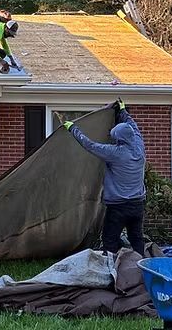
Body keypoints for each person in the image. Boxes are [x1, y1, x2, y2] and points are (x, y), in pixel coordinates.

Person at [63, 100, 146, 256]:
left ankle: (110, 271)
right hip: (138, 205)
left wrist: (72, 128)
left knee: (110, 241)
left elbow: (90, 145)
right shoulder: (138, 145)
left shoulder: (114, 153)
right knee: (136, 239)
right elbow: (132, 126)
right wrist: (122, 110)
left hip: (118, 207)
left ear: (118, 138)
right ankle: (141, 267)